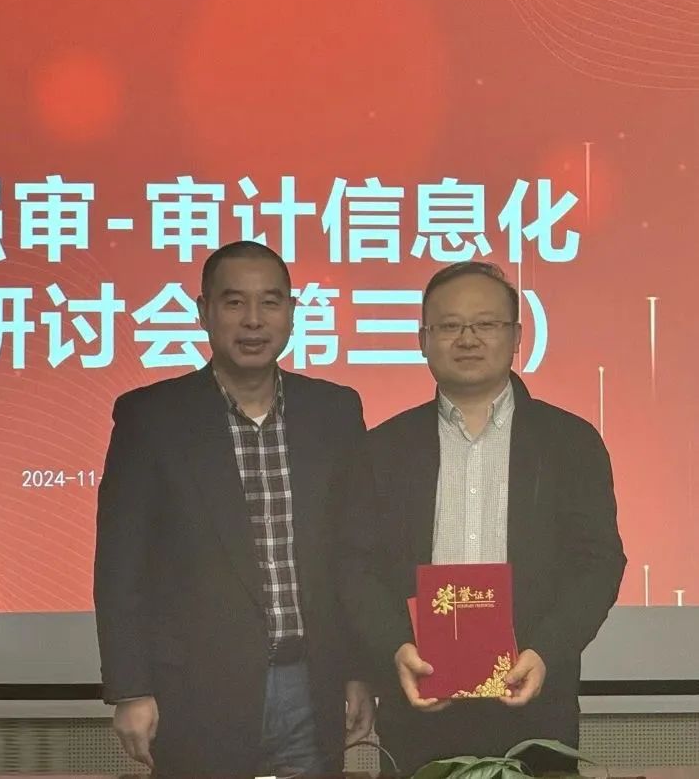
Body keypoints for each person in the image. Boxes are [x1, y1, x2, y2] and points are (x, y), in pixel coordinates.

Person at [94, 241, 375, 776]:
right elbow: (120, 568)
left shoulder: (334, 411)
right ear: (204, 312)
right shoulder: (150, 418)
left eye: (270, 302)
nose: (253, 320)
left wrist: (359, 670)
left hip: (312, 683)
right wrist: (130, 689)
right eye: (233, 302)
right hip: (193, 692)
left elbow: (354, 554)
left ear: (291, 312)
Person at [346, 261, 626, 774]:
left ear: (516, 336)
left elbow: (599, 562)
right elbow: (355, 567)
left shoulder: (571, 442)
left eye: (486, 324)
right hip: (418, 703)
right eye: (449, 326)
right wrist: (394, 649)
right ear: (423, 340)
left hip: (537, 704)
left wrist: (547, 651)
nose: (468, 338)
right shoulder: (381, 449)